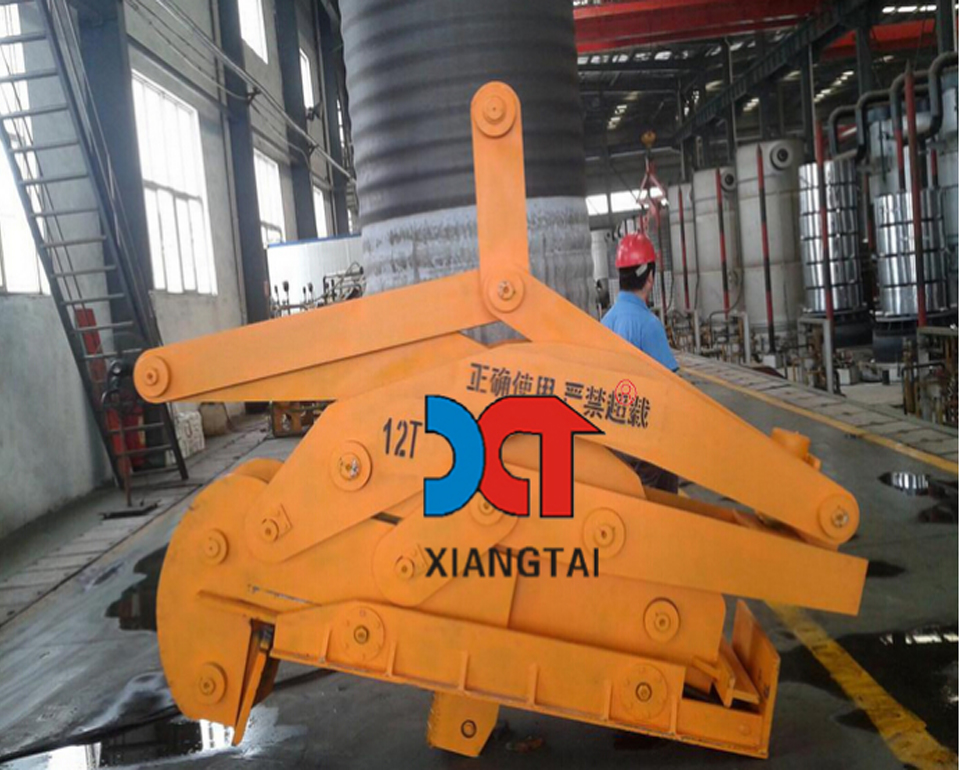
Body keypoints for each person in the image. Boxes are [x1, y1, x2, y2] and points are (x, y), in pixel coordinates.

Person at [601, 231, 679, 493]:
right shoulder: (648, 325)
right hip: (647, 440)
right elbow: (673, 388)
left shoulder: (605, 322)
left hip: (613, 438)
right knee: (660, 502)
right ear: (650, 277)